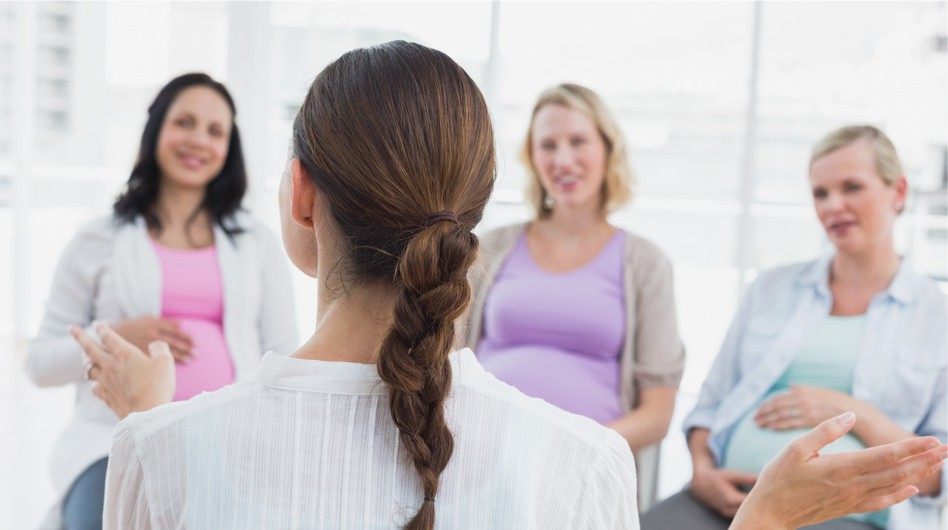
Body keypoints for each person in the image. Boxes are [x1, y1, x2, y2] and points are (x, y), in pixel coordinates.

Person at [74, 44, 945, 529]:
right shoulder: (582, 467)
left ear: (300, 193)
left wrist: (150, 415)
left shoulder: (159, 452)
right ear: (473, 215)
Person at [26, 73, 298, 529]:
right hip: (109, 443)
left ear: (229, 149)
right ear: (156, 130)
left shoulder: (258, 243)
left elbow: (285, 353)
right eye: (184, 122)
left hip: (227, 446)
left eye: (215, 131)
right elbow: (39, 364)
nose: (198, 140)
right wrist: (114, 335)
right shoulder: (97, 239)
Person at [640, 125, 947, 530]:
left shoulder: (938, 315)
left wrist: (850, 413)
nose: (832, 205)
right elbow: (710, 405)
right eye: (820, 193)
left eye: (851, 187)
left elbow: (936, 476)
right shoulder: (770, 288)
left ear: (899, 192)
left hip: (850, 516)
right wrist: (702, 475)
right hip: (727, 503)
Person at [462, 83, 683, 505]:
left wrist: (571, 452)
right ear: (533, 157)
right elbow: (445, 360)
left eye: (578, 141)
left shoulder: (647, 264)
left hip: (583, 476)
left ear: (607, 148)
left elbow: (658, 414)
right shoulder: (488, 249)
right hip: (482, 462)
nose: (563, 159)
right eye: (548, 145)